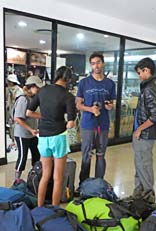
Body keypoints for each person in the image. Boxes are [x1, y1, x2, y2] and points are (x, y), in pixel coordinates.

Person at [27, 66, 76, 206]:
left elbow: (29, 113)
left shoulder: (42, 91)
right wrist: (64, 122)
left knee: (45, 175)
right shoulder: (68, 96)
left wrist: (45, 116)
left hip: (42, 137)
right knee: (58, 177)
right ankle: (55, 209)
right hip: (58, 137)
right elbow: (71, 124)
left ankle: (40, 207)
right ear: (67, 79)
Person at [76, 52, 116, 185]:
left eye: (98, 62)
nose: (96, 66)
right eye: (93, 63)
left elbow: (112, 103)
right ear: (91, 65)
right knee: (86, 154)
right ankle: (83, 184)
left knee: (101, 154)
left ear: (103, 63)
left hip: (103, 124)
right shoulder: (84, 83)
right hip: (88, 123)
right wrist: (90, 109)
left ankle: (99, 184)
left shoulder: (110, 84)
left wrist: (110, 106)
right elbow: (78, 104)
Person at [132, 57, 156, 202]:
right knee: (139, 165)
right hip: (142, 134)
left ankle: (148, 198)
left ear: (146, 70)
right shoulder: (148, 87)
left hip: (145, 135)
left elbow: (154, 116)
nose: (138, 76)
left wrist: (139, 130)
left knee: (144, 165)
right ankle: (138, 195)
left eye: (139, 72)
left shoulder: (150, 89)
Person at [13, 76, 44, 182]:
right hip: (22, 134)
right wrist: (30, 129)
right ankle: (17, 180)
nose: (39, 90)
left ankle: (34, 177)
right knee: (23, 156)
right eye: (37, 88)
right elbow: (17, 118)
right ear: (31, 87)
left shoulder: (33, 99)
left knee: (36, 155)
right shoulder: (23, 99)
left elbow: (33, 115)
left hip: (32, 133)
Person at [6, 74, 24, 152]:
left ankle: (16, 142)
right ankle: (13, 141)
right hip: (10, 111)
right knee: (11, 127)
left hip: (16, 111)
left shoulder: (19, 90)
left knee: (16, 127)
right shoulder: (7, 90)